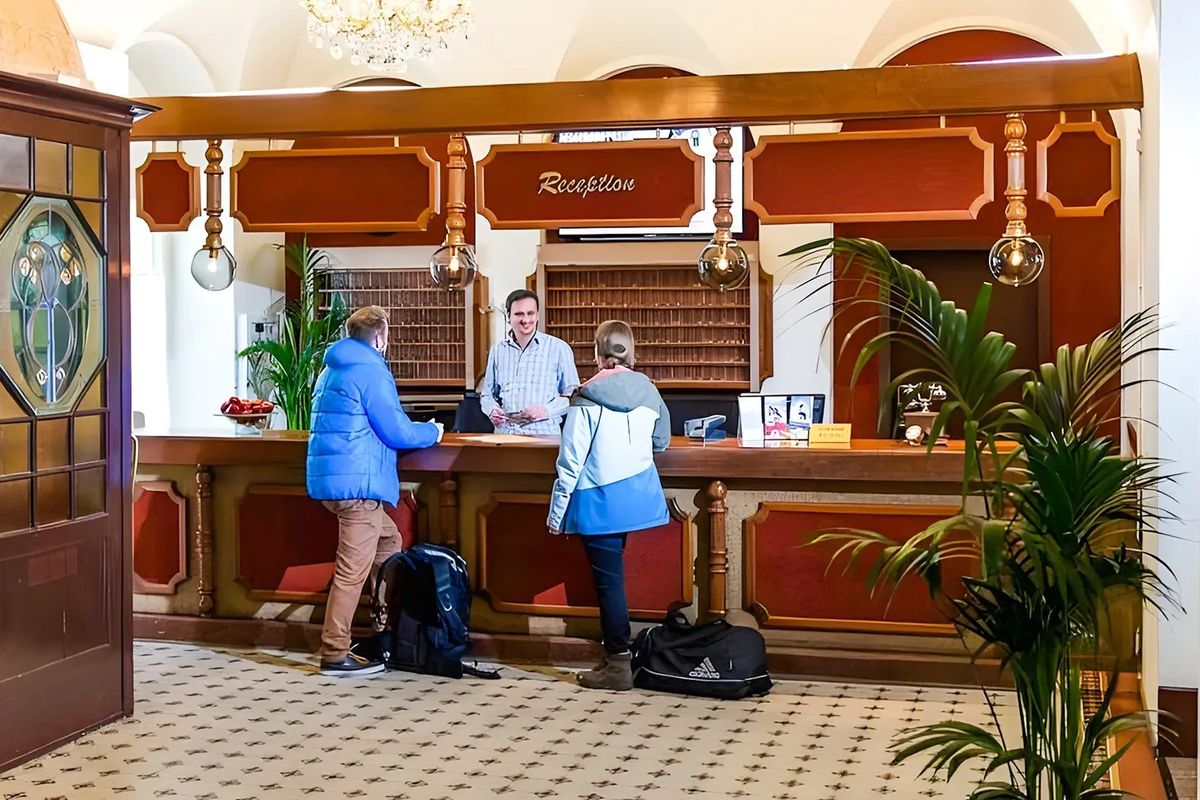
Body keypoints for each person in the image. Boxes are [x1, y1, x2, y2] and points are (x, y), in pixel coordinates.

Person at [307, 305, 444, 676]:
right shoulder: (371, 369)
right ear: (380, 338)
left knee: (389, 541)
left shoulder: (332, 367)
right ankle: (335, 652)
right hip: (359, 486)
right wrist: (433, 431)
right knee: (351, 572)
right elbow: (396, 430)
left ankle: (383, 631)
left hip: (335, 483)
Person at [547, 320, 670, 690]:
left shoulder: (586, 396)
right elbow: (661, 441)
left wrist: (556, 514)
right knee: (612, 579)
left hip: (598, 499)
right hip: (637, 496)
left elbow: (570, 462)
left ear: (597, 354)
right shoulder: (650, 391)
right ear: (631, 351)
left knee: (609, 584)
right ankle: (615, 657)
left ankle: (617, 662)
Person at [478, 289, 579, 436]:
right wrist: (492, 410)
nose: (526, 320)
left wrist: (545, 410)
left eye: (530, 313)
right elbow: (487, 395)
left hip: (545, 436)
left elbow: (572, 397)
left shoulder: (559, 349)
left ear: (537, 315)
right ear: (508, 316)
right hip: (505, 436)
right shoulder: (497, 351)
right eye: (519, 314)